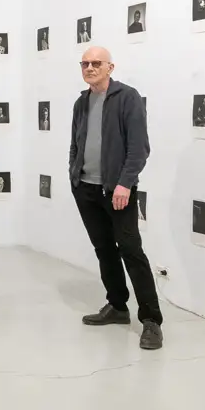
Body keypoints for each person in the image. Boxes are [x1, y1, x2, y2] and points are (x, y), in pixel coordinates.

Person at [68, 46, 162, 349]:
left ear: (110, 67)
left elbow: (139, 148)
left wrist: (124, 184)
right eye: (85, 63)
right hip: (86, 189)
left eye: (96, 63)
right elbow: (76, 143)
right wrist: (74, 176)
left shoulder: (127, 98)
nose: (90, 68)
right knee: (104, 250)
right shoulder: (81, 102)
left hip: (117, 190)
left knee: (131, 251)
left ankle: (151, 320)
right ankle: (118, 306)